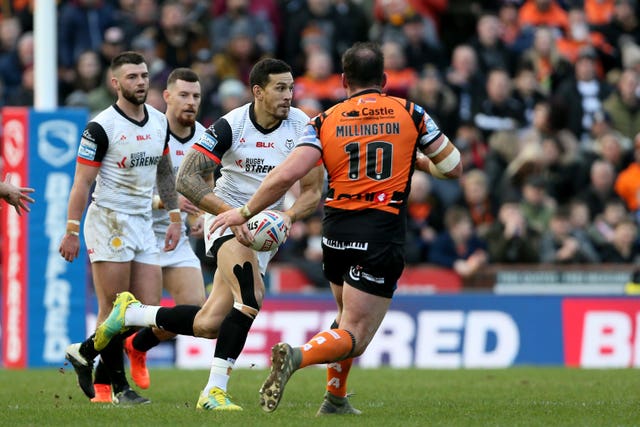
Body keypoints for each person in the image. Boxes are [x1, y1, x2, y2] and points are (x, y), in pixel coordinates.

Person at [209, 41, 463, 414]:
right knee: (355, 336)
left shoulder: (325, 120)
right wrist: (418, 161)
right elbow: (453, 167)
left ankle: (335, 399)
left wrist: (244, 210)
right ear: (385, 79)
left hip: (335, 231)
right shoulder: (411, 112)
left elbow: (285, 175)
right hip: (379, 230)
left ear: (343, 80)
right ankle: (296, 356)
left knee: (345, 319)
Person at [92, 57, 325, 410]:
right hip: (226, 223)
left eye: (291, 87)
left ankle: (131, 315)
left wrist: (289, 217)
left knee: (208, 324)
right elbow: (186, 178)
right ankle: (213, 392)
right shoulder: (231, 126)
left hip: (265, 231)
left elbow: (312, 190)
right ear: (258, 92)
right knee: (250, 297)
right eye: (280, 88)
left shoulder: (302, 127)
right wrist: (231, 214)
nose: (288, 95)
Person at [60, 51, 182, 405]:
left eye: (144, 75)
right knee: (113, 307)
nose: (141, 82)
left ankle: (84, 353)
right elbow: (82, 182)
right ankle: (118, 388)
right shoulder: (101, 126)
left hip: (143, 220)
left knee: (146, 306)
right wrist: (71, 229)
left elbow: (164, 172)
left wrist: (174, 217)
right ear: (115, 83)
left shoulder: (159, 121)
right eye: (132, 77)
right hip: (109, 220)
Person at [93, 67, 207, 401]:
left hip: (176, 238)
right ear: (167, 97)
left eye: (196, 96)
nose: (191, 102)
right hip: (138, 230)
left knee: (196, 313)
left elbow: (208, 182)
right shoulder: (149, 129)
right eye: (184, 95)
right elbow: (131, 188)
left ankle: (139, 346)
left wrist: (201, 215)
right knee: (122, 311)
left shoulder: (206, 138)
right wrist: (167, 203)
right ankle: (105, 379)